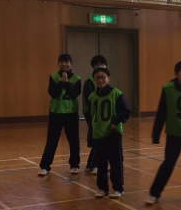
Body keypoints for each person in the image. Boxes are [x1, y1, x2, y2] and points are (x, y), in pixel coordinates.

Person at [146, 61, 181, 205]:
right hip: (174, 133)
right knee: (168, 164)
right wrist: (156, 134)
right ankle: (154, 193)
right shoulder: (168, 88)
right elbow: (161, 112)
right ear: (176, 74)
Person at [86, 67, 131, 199]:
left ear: (108, 78)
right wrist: (91, 134)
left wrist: (116, 121)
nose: (100, 80)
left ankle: (118, 188)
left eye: (103, 77)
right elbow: (91, 116)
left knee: (115, 162)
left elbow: (126, 111)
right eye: (97, 77)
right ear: (94, 80)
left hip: (113, 134)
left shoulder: (116, 93)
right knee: (101, 163)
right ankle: (102, 188)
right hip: (98, 133)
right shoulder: (92, 96)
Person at [39, 54, 81, 176]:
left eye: (66, 62)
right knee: (51, 141)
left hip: (71, 113)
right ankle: (45, 166)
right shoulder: (53, 76)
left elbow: (74, 94)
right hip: (56, 113)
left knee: (73, 141)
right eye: (61, 62)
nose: (64, 64)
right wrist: (61, 82)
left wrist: (67, 83)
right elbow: (53, 93)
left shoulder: (76, 79)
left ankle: (74, 165)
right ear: (58, 64)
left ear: (71, 64)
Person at [83, 55, 108, 175]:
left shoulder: (105, 80)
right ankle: (94, 165)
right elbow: (89, 99)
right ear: (93, 67)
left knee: (102, 138)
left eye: (102, 65)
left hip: (102, 114)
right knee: (98, 139)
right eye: (97, 65)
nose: (100, 67)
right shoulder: (90, 81)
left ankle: (92, 165)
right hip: (92, 113)